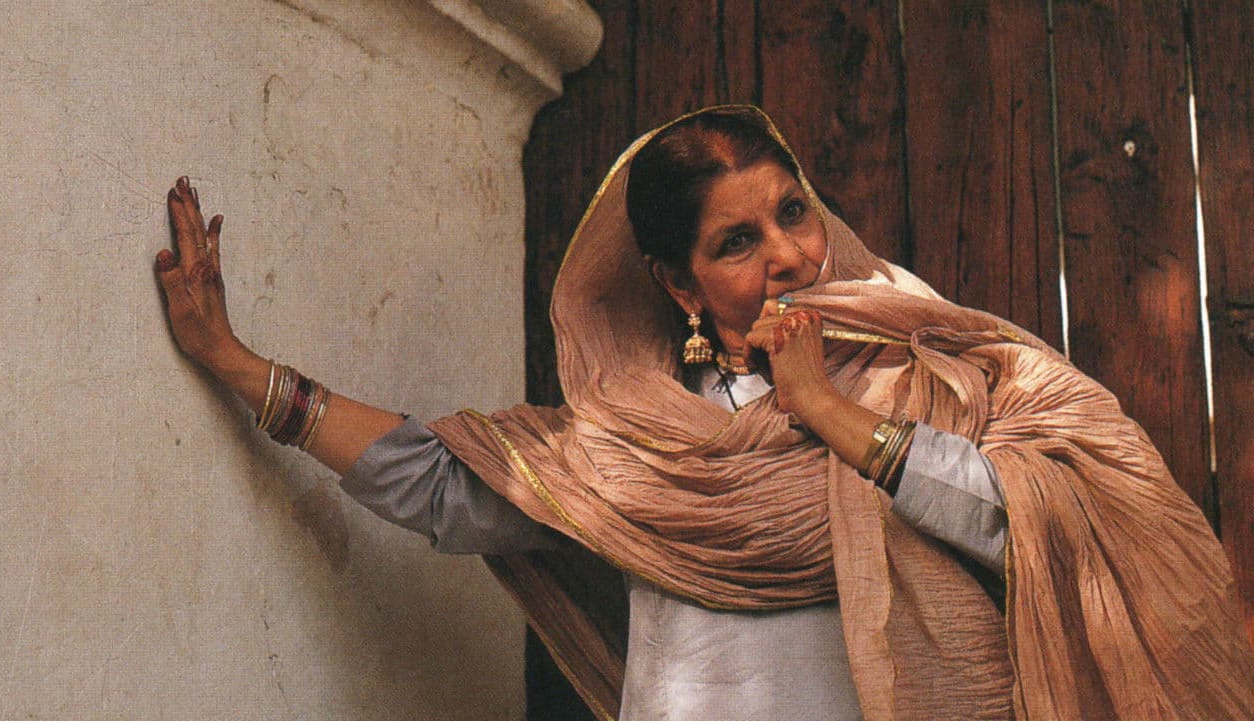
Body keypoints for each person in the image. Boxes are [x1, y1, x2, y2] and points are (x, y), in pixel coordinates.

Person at [155, 106, 1253, 721]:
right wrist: (234, 361)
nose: (788, 255)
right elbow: (440, 488)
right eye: (737, 241)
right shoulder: (644, 443)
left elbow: (1048, 530)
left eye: (792, 213)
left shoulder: (937, 370)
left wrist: (827, 412)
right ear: (680, 285)